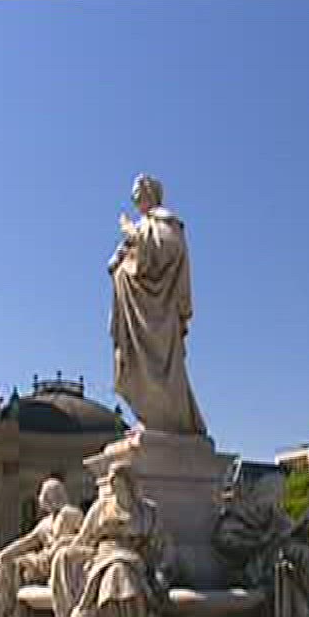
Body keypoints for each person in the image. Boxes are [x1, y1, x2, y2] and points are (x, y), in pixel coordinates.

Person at [109, 174, 207, 435]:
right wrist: (121, 256)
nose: (134, 200)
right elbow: (120, 262)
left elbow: (167, 252)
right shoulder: (144, 225)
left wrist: (134, 235)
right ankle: (149, 418)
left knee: (161, 368)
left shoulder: (166, 222)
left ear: (150, 194)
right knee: (136, 368)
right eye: (133, 196)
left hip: (158, 313)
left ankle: (165, 421)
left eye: (137, 194)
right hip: (135, 313)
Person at [51, 463, 168, 617]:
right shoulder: (101, 507)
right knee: (109, 566)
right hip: (103, 554)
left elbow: (160, 544)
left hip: (133, 556)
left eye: (120, 482)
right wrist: (64, 547)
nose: (115, 486)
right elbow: (83, 538)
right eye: (113, 482)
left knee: (118, 568)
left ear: (130, 483)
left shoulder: (147, 510)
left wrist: (161, 568)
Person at [213, 470, 309, 617]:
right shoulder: (238, 515)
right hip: (248, 570)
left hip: (274, 564)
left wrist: (303, 526)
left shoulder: (276, 515)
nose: (278, 501)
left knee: (299, 555)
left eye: (280, 496)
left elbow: (289, 534)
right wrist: (266, 541)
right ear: (262, 494)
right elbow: (227, 543)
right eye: (276, 495)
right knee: (289, 563)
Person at [0, 478, 84, 617]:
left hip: (58, 561)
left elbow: (85, 537)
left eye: (44, 495)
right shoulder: (46, 522)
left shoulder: (70, 513)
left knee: (10, 566)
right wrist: (4, 553)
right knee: (3, 564)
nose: (42, 499)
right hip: (42, 561)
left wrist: (64, 542)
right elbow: (28, 541)